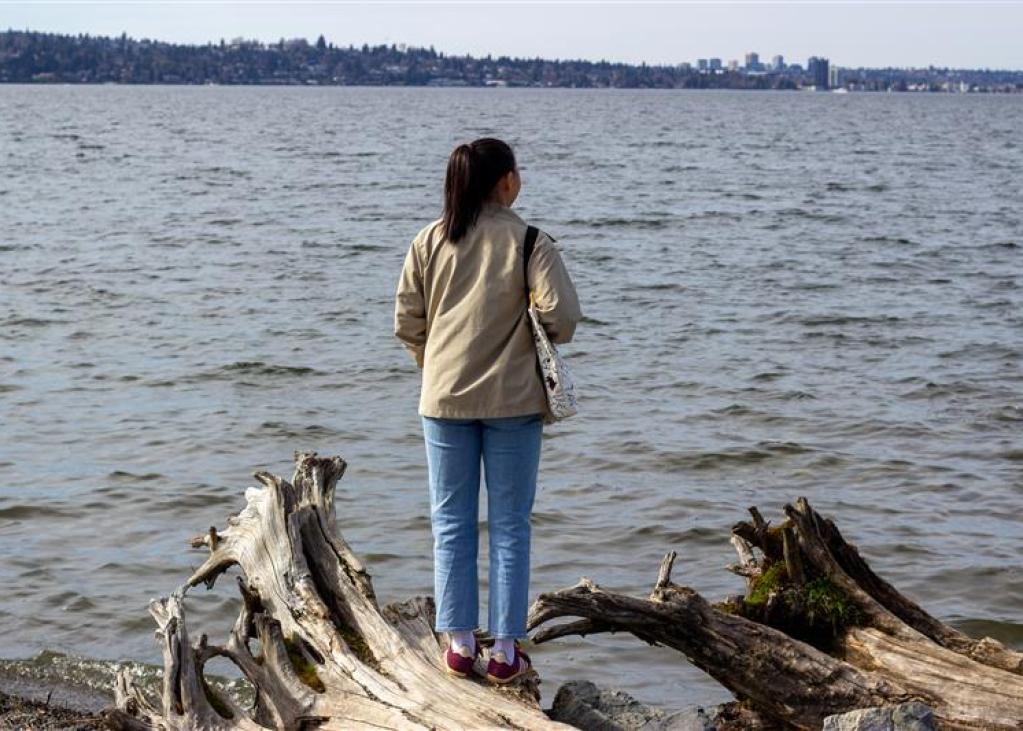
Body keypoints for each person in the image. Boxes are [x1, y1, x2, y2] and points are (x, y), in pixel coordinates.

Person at [394, 138, 582, 684]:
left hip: (443, 399)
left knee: (449, 523)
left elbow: (407, 323)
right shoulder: (530, 243)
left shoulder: (429, 240)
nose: (520, 178)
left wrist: (438, 364)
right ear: (504, 182)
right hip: (514, 402)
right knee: (509, 527)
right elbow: (564, 317)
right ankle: (503, 651)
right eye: (517, 171)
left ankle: (456, 644)